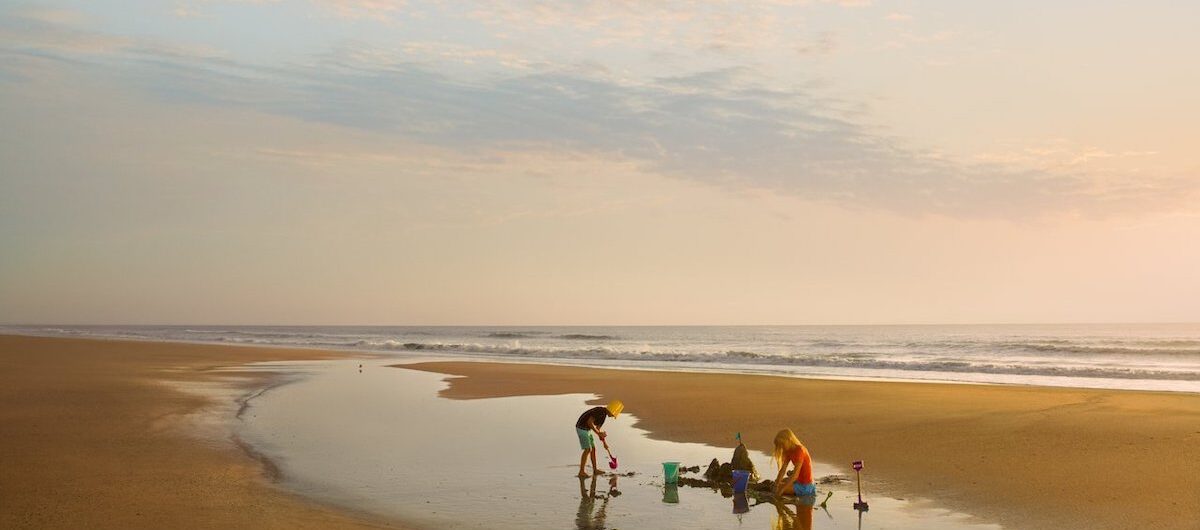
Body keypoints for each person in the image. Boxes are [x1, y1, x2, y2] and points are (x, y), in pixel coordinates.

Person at [575, 400, 623, 477]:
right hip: (581, 428)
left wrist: (604, 443)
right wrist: (598, 433)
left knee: (593, 449)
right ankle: (581, 472)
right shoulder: (599, 411)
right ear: (611, 411)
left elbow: (598, 428)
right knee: (588, 449)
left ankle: (595, 470)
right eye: (614, 414)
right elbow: (589, 422)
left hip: (587, 430)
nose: (613, 416)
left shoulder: (603, 416)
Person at [772, 428, 815, 497]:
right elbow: (783, 470)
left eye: (782, 445)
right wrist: (777, 483)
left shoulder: (799, 450)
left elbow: (795, 475)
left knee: (779, 488)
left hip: (806, 486)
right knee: (776, 484)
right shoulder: (788, 450)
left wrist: (782, 490)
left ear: (789, 440)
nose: (782, 448)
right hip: (798, 481)